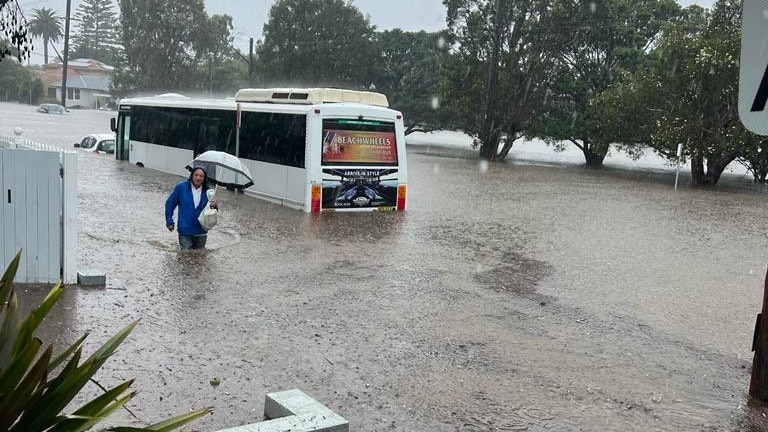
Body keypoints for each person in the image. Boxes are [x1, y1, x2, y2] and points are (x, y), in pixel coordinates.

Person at [165, 167, 218, 250]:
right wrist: (169, 221)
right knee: (185, 257)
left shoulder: (209, 192)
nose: (198, 178)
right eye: (196, 175)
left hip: (201, 231)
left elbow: (213, 212)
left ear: (204, 178)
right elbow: (170, 204)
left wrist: (214, 205)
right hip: (185, 231)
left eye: (201, 176)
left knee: (200, 258)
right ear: (192, 175)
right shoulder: (181, 188)